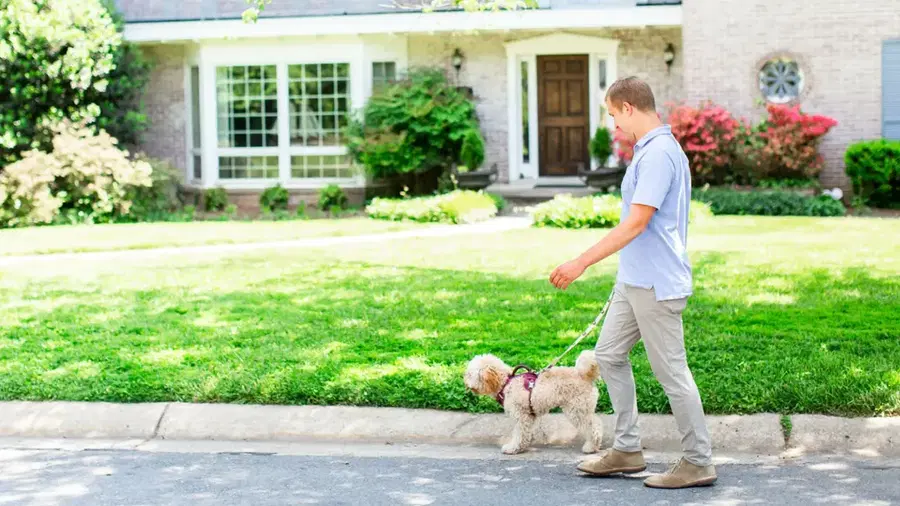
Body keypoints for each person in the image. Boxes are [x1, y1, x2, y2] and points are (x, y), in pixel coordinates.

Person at [548, 76, 716, 489]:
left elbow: (638, 222)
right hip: (635, 281)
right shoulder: (649, 150)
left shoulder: (659, 153)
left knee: (672, 373)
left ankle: (698, 460)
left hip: (657, 285)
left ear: (628, 107)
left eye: (612, 114)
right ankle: (627, 450)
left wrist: (581, 262)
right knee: (608, 354)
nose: (613, 125)